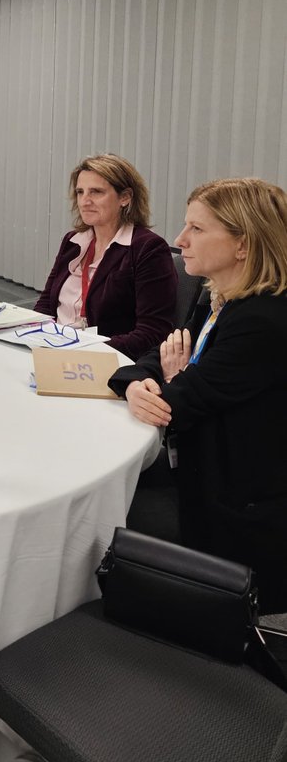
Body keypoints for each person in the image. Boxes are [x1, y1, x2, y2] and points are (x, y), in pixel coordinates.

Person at [109, 177, 287, 613]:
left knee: (102, 521)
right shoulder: (218, 294)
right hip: (203, 462)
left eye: (197, 229)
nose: (179, 240)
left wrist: (172, 383)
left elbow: (177, 406)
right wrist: (133, 382)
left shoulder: (263, 320)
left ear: (243, 245)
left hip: (237, 503)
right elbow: (162, 353)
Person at [34, 153, 176, 358]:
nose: (85, 201)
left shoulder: (148, 248)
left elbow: (152, 333)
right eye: (80, 192)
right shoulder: (73, 241)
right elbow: (47, 303)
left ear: (125, 197)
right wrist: (32, 334)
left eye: (96, 192)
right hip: (52, 348)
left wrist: (83, 351)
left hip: (102, 359)